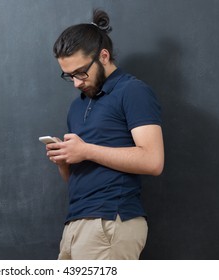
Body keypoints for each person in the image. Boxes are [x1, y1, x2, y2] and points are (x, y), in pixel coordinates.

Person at [45, 9, 164, 260]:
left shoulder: (132, 91)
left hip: (110, 221)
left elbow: (153, 161)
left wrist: (86, 150)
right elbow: (82, 177)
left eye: (80, 72)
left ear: (104, 56)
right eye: (69, 76)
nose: (76, 82)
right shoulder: (77, 105)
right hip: (76, 223)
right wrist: (65, 160)